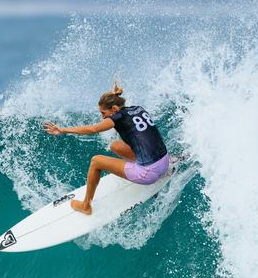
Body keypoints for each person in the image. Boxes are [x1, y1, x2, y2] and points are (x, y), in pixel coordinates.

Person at [43, 82, 169, 215]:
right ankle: (149, 165)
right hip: (165, 162)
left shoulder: (117, 117)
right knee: (115, 145)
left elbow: (93, 129)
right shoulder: (138, 109)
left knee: (96, 161)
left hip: (148, 173)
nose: (103, 116)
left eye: (103, 113)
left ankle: (86, 206)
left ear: (114, 109)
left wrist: (63, 129)